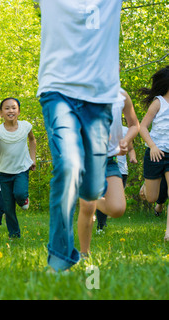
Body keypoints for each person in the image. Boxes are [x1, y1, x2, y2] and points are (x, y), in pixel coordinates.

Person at [35, 0, 125, 271]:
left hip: (99, 99)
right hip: (58, 90)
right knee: (69, 165)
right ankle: (59, 258)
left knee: (92, 188)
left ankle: (84, 189)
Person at [78, 88, 139, 255]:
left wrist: (126, 141)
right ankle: (84, 253)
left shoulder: (122, 95)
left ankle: (86, 196)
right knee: (87, 206)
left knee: (117, 209)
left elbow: (134, 125)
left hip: (109, 160)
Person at [0, 98, 36, 239]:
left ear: (19, 111)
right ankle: (14, 234)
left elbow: (32, 140)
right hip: (4, 173)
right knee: (8, 207)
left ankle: (23, 200)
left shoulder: (26, 126)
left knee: (20, 194)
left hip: (21, 169)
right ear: (1, 113)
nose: (11, 111)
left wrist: (32, 158)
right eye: (7, 108)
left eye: (14, 108)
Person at [138, 65, 169, 241]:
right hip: (155, 153)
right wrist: (153, 146)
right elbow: (142, 127)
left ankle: (168, 233)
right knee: (151, 197)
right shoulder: (158, 102)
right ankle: (146, 186)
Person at [96, 125, 137, 233]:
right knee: (103, 194)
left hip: (122, 171)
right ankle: (101, 226)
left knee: (114, 202)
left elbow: (131, 149)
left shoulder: (125, 131)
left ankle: (93, 204)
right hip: (107, 167)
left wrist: (132, 157)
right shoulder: (100, 127)